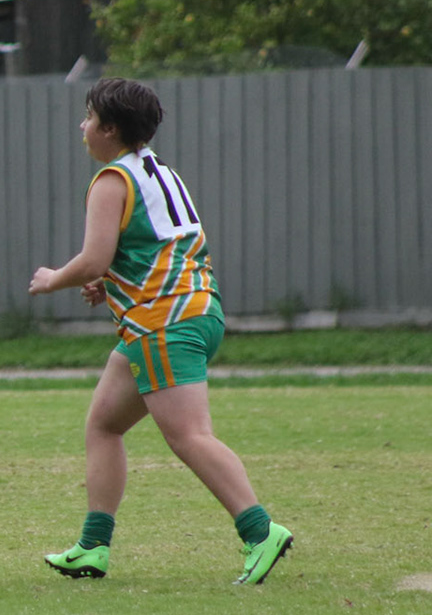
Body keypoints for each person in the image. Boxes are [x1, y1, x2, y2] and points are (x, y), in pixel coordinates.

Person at [29, 78, 293, 584]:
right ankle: (92, 547)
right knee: (104, 425)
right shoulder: (160, 171)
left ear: (110, 128)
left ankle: (260, 531)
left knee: (190, 436)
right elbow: (158, 246)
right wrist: (112, 282)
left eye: (89, 118)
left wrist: (52, 279)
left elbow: (93, 259)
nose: (82, 126)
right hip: (195, 311)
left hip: (163, 322)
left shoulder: (111, 180)